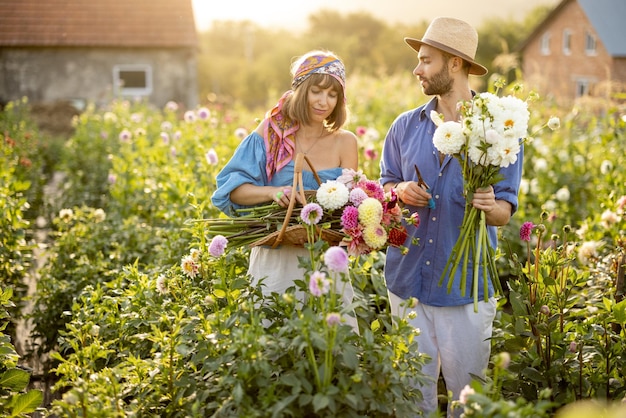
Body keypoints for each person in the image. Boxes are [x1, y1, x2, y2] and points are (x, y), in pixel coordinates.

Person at [379, 17, 523, 417]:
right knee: (411, 398)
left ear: (455, 64)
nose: (417, 69)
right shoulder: (405, 126)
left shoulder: (499, 129)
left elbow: (504, 212)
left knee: (468, 401)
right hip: (406, 280)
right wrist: (399, 192)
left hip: (465, 287)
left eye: (426, 60)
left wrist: (488, 203)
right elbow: (385, 184)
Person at [211, 50, 359, 328]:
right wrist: (271, 193)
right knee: (273, 338)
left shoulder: (345, 142)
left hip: (324, 258)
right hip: (276, 256)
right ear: (301, 90)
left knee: (330, 346)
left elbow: (349, 208)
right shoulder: (272, 132)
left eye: (332, 95)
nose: (323, 102)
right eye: (316, 91)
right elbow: (232, 191)